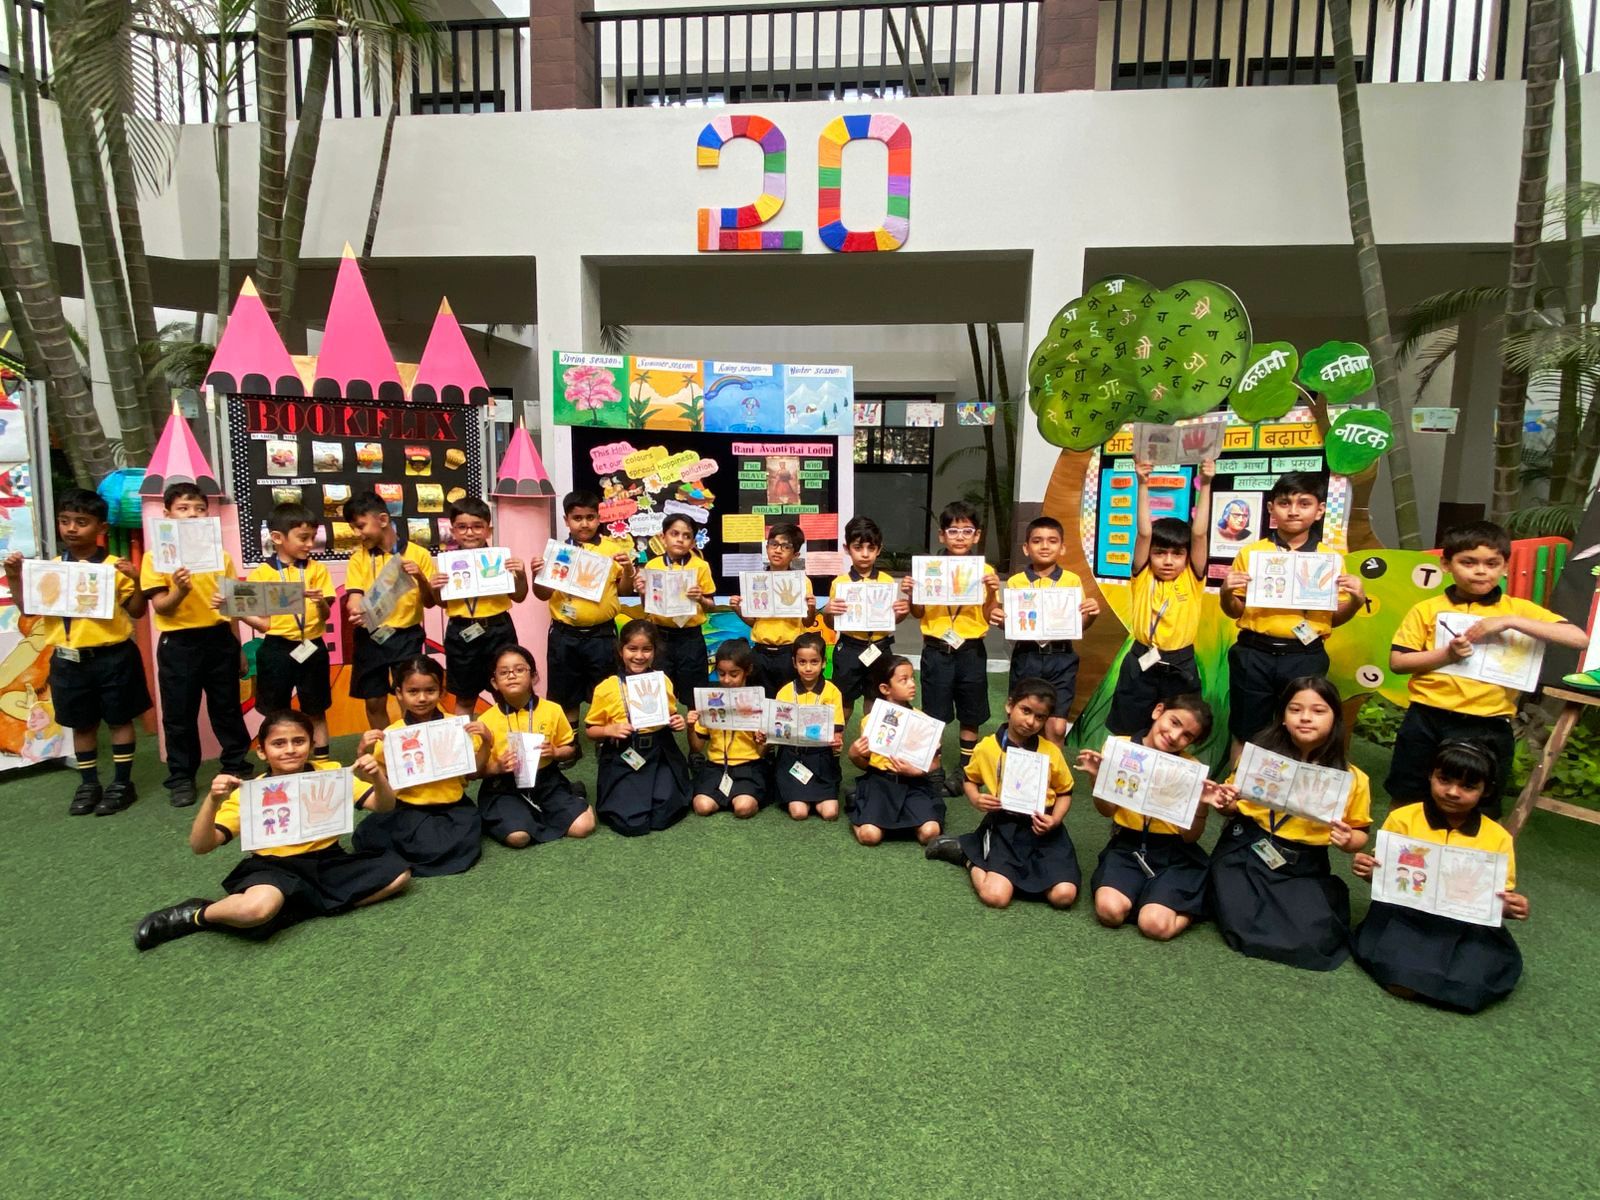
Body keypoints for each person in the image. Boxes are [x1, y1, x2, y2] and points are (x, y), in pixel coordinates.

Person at [132, 709, 410, 950]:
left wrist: (377, 777)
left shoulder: (331, 774)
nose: (290, 749)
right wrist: (212, 801)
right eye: (279, 743)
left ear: (311, 744)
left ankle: (295, 909)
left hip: (327, 861)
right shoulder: (250, 793)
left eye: (298, 741)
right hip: (274, 868)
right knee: (257, 909)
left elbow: (384, 806)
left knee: (398, 876)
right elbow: (200, 846)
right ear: (262, 751)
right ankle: (198, 914)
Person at [1386, 520, 1585, 817]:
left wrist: (1509, 621)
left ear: (1505, 567)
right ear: (1446, 564)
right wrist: (1446, 655)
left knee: (1480, 806)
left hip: (1489, 724)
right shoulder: (1426, 610)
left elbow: (1578, 638)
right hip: (1427, 718)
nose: (1481, 571)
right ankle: (1395, 843)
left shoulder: (1517, 609)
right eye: (1468, 562)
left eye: (1492, 563)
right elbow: (1399, 662)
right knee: (1408, 794)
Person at [1207, 675, 1371, 971]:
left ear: (1335, 719)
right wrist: (1225, 801)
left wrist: (1349, 841)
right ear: (1283, 717)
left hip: (1303, 865)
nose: (1305, 718)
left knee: (1313, 939)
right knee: (1241, 921)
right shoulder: (1258, 759)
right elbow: (1230, 808)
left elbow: (1360, 834)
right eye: (1295, 709)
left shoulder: (1352, 778)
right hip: (1247, 850)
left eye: (1318, 711)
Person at [3, 488, 150, 816]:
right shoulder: (51, 569)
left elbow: (138, 611)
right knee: (81, 724)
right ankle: (89, 783)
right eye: (65, 521)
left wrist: (137, 580)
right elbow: (29, 608)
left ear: (101, 528)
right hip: (69, 660)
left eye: (81, 522)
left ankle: (122, 783)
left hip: (114, 656)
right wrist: (14, 576)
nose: (71, 528)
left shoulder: (114, 568)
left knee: (120, 719)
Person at [1352, 741, 1528, 1013]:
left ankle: (1431, 980)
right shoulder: (1403, 818)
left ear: (1486, 791)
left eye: (1468, 786)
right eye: (1444, 780)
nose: (1453, 792)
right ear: (1431, 776)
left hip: (1464, 924)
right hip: (1407, 914)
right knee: (1399, 978)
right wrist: (1368, 871)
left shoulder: (1498, 837)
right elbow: (1385, 877)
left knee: (1473, 984)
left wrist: (1510, 907)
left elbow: (1497, 897)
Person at [1219, 473, 1367, 755]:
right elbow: (1234, 611)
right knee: (1245, 730)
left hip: (1305, 654)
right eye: (1285, 503)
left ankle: (1291, 783)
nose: (1294, 511)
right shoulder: (1252, 554)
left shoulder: (1330, 559)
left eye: (1304, 503)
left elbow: (1333, 618)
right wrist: (1226, 593)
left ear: (1319, 510)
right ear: (1271, 508)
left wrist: (1356, 602)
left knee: (1301, 731)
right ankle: (1237, 784)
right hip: (1254, 653)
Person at [137, 482, 254, 807]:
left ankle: (236, 765)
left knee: (227, 708)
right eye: (183, 508)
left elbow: (232, 605)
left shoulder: (221, 557)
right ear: (167, 514)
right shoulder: (155, 558)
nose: (192, 514)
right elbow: (161, 607)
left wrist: (237, 647)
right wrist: (180, 590)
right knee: (179, 714)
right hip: (179, 644)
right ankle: (181, 777)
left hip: (219, 640)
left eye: (199, 509)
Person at [924, 677, 1078, 909]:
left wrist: (1055, 820)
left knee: (1063, 896)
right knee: (996, 897)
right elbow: (970, 780)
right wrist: (976, 798)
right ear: (1009, 705)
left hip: (1044, 829)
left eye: (1040, 717)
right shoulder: (987, 747)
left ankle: (1000, 866)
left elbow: (1065, 792)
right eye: (1025, 711)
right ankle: (968, 858)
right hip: (1006, 826)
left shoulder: (1051, 753)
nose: (1031, 722)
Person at [1081, 694, 1216, 940]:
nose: (1175, 736)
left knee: (1154, 926)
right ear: (1158, 711)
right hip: (1127, 846)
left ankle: (1192, 907)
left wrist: (1201, 805)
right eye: (1174, 722)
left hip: (1173, 853)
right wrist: (1097, 779)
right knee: (1109, 911)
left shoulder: (1191, 769)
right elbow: (1107, 811)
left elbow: (1190, 838)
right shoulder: (1120, 748)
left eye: (1187, 736)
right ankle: (1151, 898)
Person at [353, 656, 490, 876]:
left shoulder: (456, 727)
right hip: (407, 808)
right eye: (413, 691)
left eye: (430, 690)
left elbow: (474, 774)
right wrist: (363, 756)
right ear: (399, 693)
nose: (422, 698)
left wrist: (486, 743)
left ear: (442, 692)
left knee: (458, 843)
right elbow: (382, 785)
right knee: (366, 835)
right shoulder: (390, 735)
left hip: (452, 807)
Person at [1107, 459, 1214, 736]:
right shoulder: (1143, 575)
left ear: (1187, 557)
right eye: (1160, 553)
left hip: (1181, 665)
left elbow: (1199, 533)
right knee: (1127, 731)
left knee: (1175, 733)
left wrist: (1206, 483)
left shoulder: (1192, 577)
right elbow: (1145, 532)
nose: (1168, 561)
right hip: (1141, 660)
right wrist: (1143, 483)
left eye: (1177, 554)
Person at [533, 488, 637, 766]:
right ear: (566, 520)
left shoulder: (612, 550)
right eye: (577, 518)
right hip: (564, 634)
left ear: (599, 518)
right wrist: (537, 574)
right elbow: (541, 595)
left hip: (602, 634)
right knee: (565, 691)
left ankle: (605, 739)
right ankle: (571, 742)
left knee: (604, 688)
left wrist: (628, 570)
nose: (584, 524)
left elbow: (625, 591)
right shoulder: (557, 553)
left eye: (590, 517)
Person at [905, 500, 1001, 794]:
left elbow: (990, 616)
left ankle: (965, 770)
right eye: (953, 531)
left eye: (967, 531)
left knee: (971, 712)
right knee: (935, 713)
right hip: (937, 651)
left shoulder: (985, 571)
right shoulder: (928, 569)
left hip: (971, 651)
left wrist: (993, 591)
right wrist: (911, 593)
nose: (960, 537)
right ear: (942, 535)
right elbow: (918, 613)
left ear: (977, 535)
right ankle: (935, 770)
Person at [992, 516, 1100, 745]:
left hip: (1061, 657)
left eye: (1052, 541)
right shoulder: (1016, 582)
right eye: (1037, 541)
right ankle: (1019, 763)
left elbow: (1079, 625)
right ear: (1026, 548)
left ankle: (1052, 767)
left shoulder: (1071, 581)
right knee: (1024, 721)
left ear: (1062, 548)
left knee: (1056, 727)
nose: (1044, 546)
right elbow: (1012, 625)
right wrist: (1000, 620)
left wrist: (1090, 614)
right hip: (1027, 656)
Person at [476, 644, 595, 847]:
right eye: (503, 672)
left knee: (583, 827)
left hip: (546, 781)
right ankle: (514, 815)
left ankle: (575, 797)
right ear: (494, 682)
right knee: (518, 838)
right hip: (504, 786)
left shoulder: (552, 710)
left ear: (533, 676)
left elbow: (570, 750)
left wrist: (556, 752)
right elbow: (474, 773)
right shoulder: (486, 720)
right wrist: (496, 767)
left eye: (519, 669)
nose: (512, 676)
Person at [585, 619, 693, 837]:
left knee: (664, 815)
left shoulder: (662, 681)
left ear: (655, 651)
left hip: (660, 752)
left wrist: (676, 722)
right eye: (632, 649)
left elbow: (670, 715)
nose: (639, 656)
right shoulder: (607, 687)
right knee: (631, 823)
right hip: (624, 753)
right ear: (621, 650)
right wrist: (608, 730)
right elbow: (590, 730)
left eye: (646, 649)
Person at [243, 502, 334, 760]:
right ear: (277, 538)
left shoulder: (317, 570)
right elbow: (259, 622)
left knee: (316, 709)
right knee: (275, 713)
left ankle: (323, 762)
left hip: (312, 646)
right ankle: (277, 764)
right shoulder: (261, 574)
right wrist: (238, 612)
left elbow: (326, 615)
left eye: (312, 538)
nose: (309, 544)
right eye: (303, 538)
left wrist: (321, 602)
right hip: (276, 649)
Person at [342, 491, 437, 730]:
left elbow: (430, 602)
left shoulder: (419, 554)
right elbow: (354, 596)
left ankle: (413, 741)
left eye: (361, 526)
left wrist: (421, 577)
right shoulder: (358, 558)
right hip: (370, 636)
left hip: (406, 636)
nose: (357, 533)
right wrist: (356, 610)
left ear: (383, 520)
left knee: (410, 696)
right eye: (353, 528)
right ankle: (383, 745)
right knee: (373, 700)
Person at [430, 496, 528, 715]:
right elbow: (441, 602)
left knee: (506, 693)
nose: (470, 532)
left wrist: (521, 576)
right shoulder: (447, 563)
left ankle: (511, 735)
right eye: (462, 527)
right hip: (462, 632)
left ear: (488, 530)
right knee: (465, 698)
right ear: (453, 531)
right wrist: (435, 588)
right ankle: (465, 738)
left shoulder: (500, 559)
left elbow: (519, 597)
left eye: (477, 526)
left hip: (498, 629)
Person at [845, 654, 945, 846]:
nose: (912, 684)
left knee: (930, 833)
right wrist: (853, 754)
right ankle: (859, 809)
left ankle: (900, 819)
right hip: (881, 783)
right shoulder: (871, 721)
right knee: (870, 836)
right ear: (885, 688)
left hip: (913, 784)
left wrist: (916, 771)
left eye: (912, 678)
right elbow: (865, 764)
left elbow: (935, 764)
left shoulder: (925, 722)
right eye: (904, 680)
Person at [820, 515, 908, 720]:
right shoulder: (839, 583)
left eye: (871, 548)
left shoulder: (887, 581)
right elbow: (832, 624)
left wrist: (901, 614)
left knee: (875, 698)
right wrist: (828, 612)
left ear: (879, 549)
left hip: (880, 646)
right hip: (849, 647)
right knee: (844, 698)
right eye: (858, 547)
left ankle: (868, 738)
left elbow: (892, 620)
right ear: (847, 548)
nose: (865, 554)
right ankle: (837, 737)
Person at [731, 522, 815, 697]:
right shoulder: (756, 581)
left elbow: (807, 622)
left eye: (786, 546)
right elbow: (754, 622)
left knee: (787, 701)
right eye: (774, 544)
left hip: (789, 651)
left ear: (795, 554)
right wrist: (738, 609)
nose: (778, 550)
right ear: (767, 547)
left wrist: (812, 607)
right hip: (760, 652)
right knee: (761, 700)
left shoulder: (802, 582)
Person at [640, 512, 716, 704]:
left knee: (695, 697)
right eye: (674, 534)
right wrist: (642, 592)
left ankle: (693, 722)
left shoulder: (701, 566)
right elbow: (646, 607)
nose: (680, 539)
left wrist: (700, 598)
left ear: (693, 542)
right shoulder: (652, 565)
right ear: (663, 537)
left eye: (686, 536)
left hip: (690, 638)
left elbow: (711, 607)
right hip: (660, 636)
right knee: (660, 695)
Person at [688, 639, 767, 818]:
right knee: (702, 806)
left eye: (734, 674)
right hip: (716, 766)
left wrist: (763, 739)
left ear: (747, 670)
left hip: (748, 766)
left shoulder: (758, 702)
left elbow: (761, 752)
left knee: (743, 808)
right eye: (721, 673)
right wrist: (691, 727)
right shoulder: (710, 700)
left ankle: (746, 794)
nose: (726, 680)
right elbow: (696, 748)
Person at [772, 632, 845, 821]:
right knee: (799, 812)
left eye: (814, 662)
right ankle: (796, 794)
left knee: (830, 812)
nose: (808, 668)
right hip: (792, 759)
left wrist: (837, 741)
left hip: (822, 759)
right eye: (802, 662)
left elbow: (837, 731)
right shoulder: (785, 692)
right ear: (794, 663)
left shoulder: (833, 692)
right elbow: (777, 728)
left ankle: (820, 794)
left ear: (823, 663)